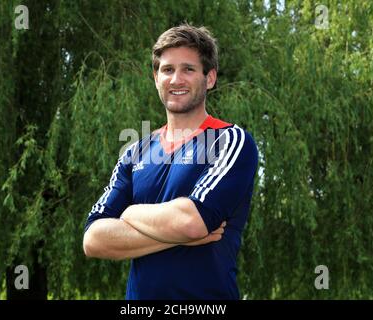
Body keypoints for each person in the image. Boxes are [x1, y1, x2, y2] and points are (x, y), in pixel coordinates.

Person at [83, 23, 258, 300]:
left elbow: (192, 222)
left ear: (209, 78)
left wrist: (129, 214)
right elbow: (94, 239)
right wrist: (177, 234)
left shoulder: (229, 140)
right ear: (156, 78)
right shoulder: (134, 152)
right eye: (167, 70)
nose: (176, 79)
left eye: (188, 69)